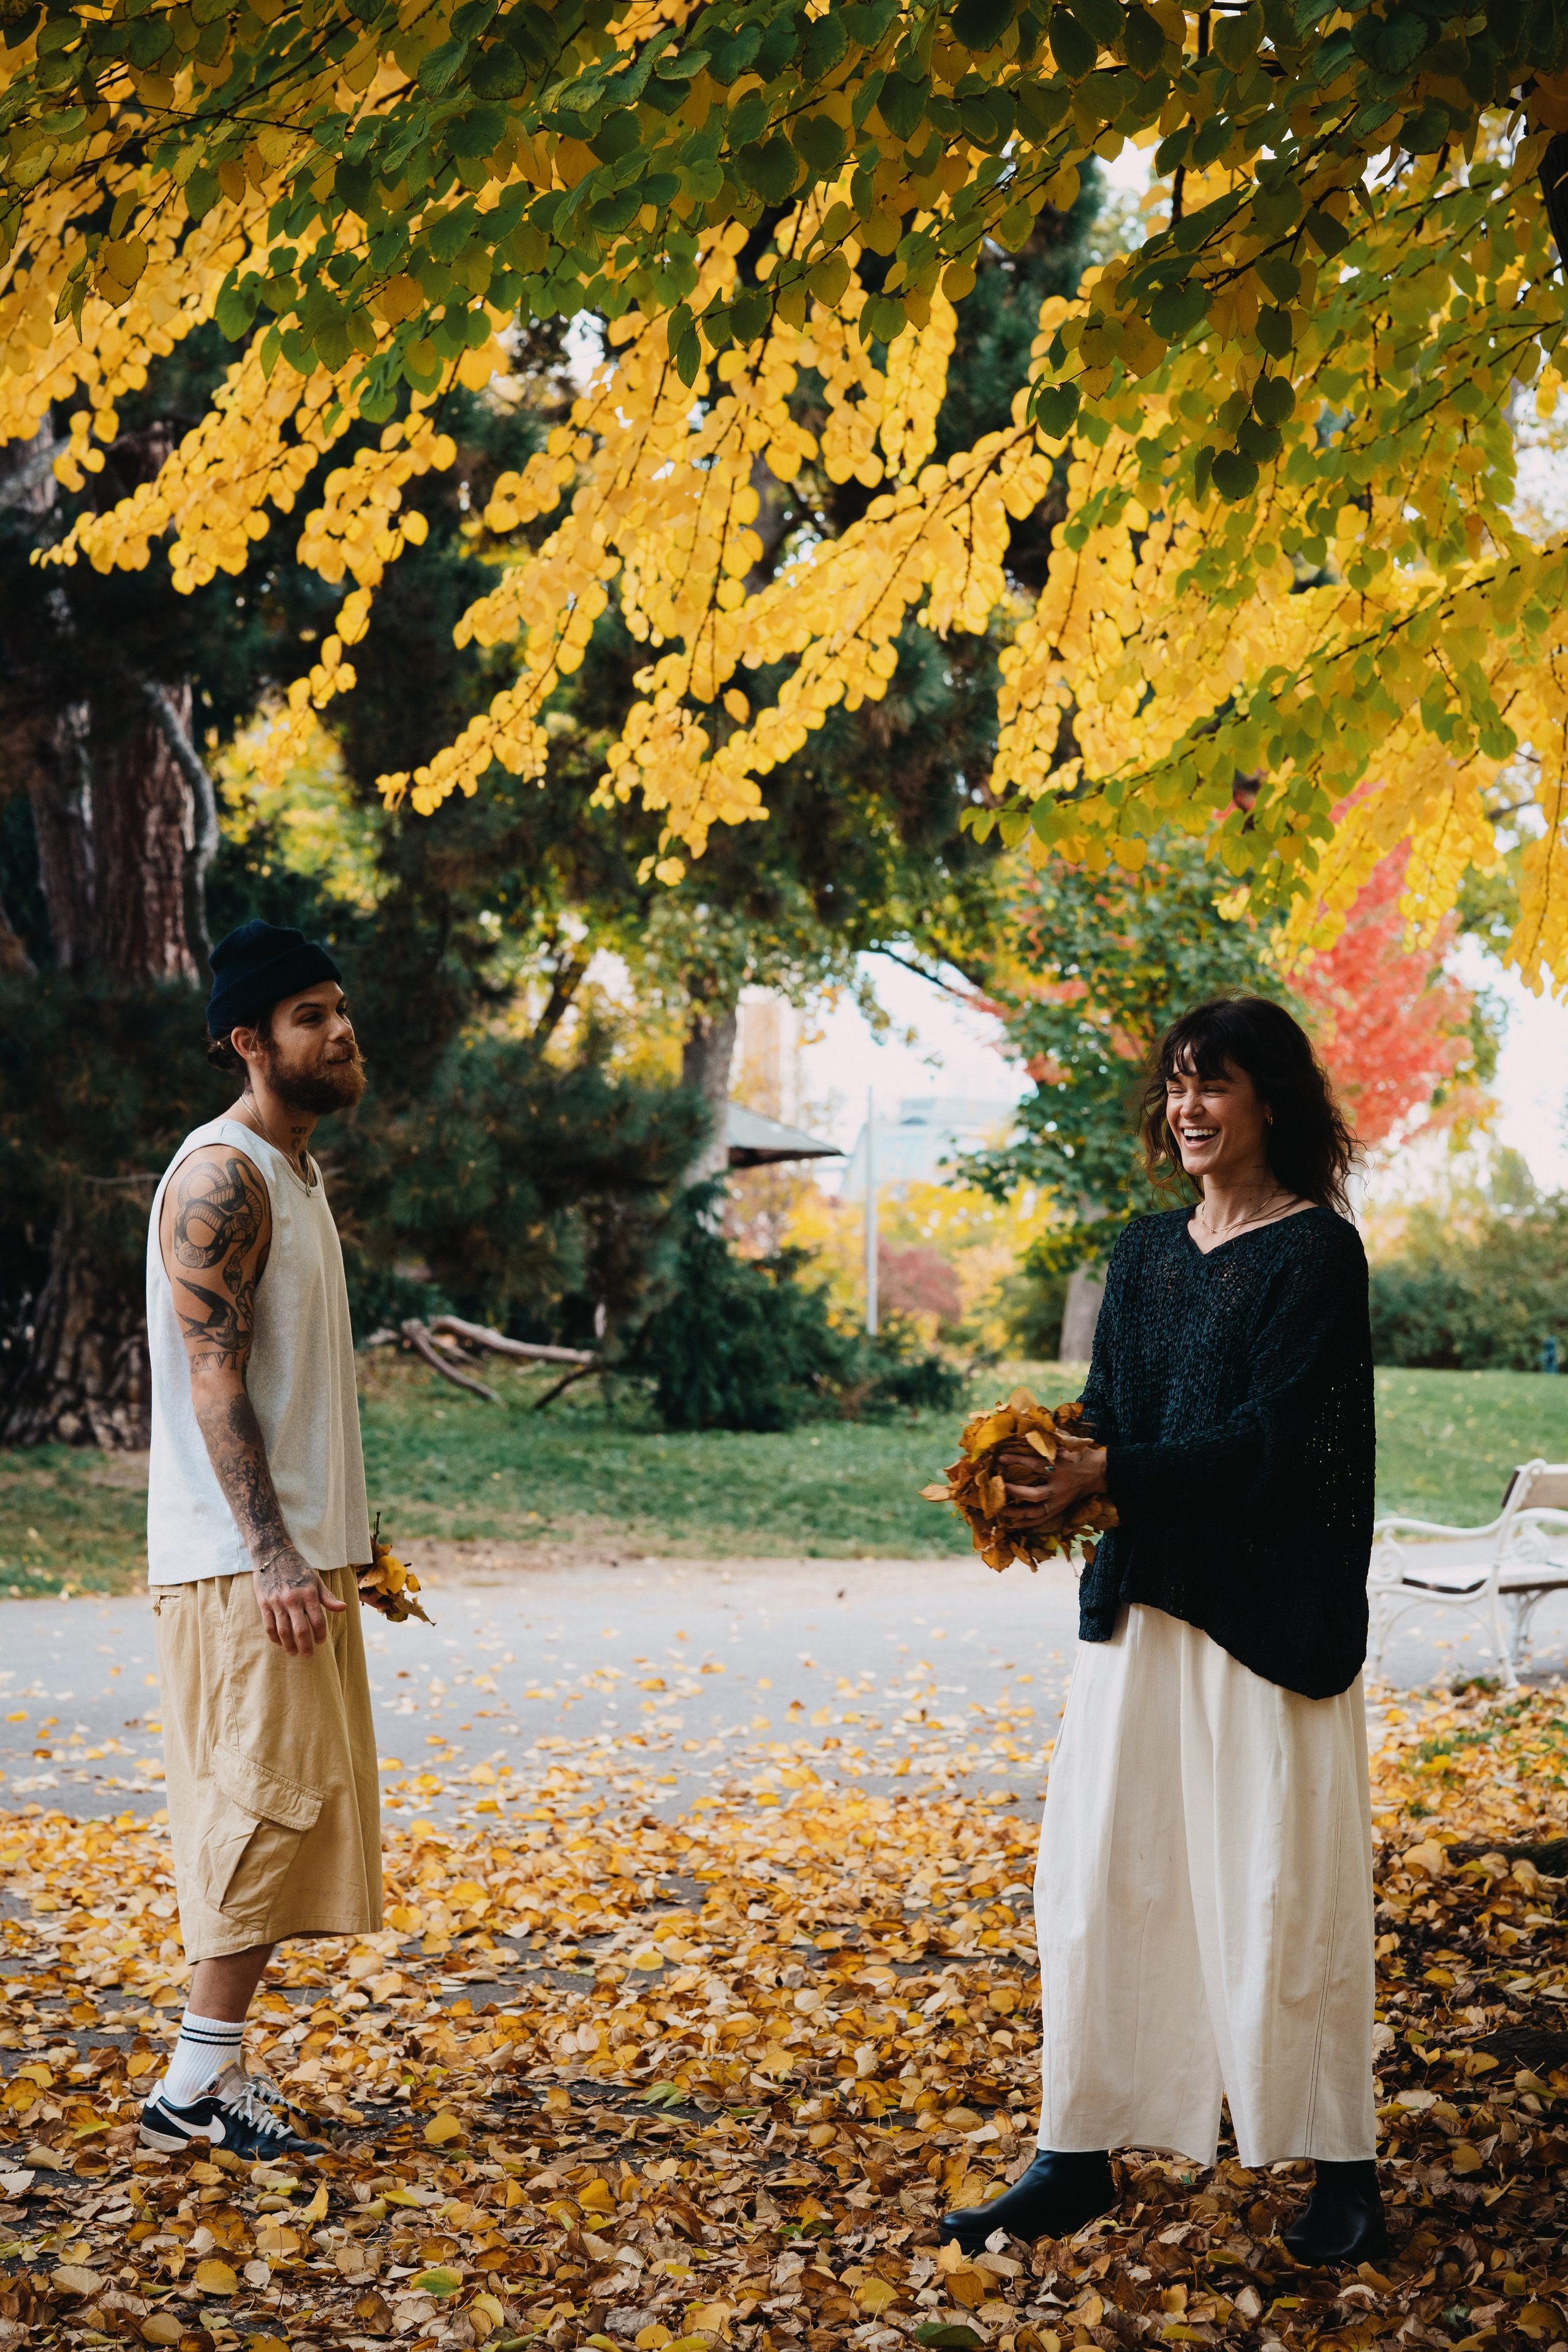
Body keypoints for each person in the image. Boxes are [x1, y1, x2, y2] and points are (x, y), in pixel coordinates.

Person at [941, 995, 1382, 2268]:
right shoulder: (1140, 1255)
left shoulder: (1313, 1257)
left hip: (1264, 1621)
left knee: (1278, 1886)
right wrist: (1036, 1475)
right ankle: (1074, 2154)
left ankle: (1341, 2163)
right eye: (1176, 1085)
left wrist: (1109, 1472)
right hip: (1141, 1610)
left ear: (1270, 1104)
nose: (1187, 1109)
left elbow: (1271, 1451)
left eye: (1216, 1085)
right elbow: (1107, 1416)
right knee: (1100, 1882)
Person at [139, 920, 386, 2160]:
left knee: (285, 1818)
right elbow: (212, 1377)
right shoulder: (222, 1173)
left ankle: (210, 2076)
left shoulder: (293, 1171)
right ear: (249, 1042)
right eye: (307, 1016)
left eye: (338, 1008)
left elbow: (292, 1390)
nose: (338, 1031)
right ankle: (188, 2092)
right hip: (242, 1570)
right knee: (257, 1814)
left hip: (292, 1557)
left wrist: (346, 1539)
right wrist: (277, 1555)